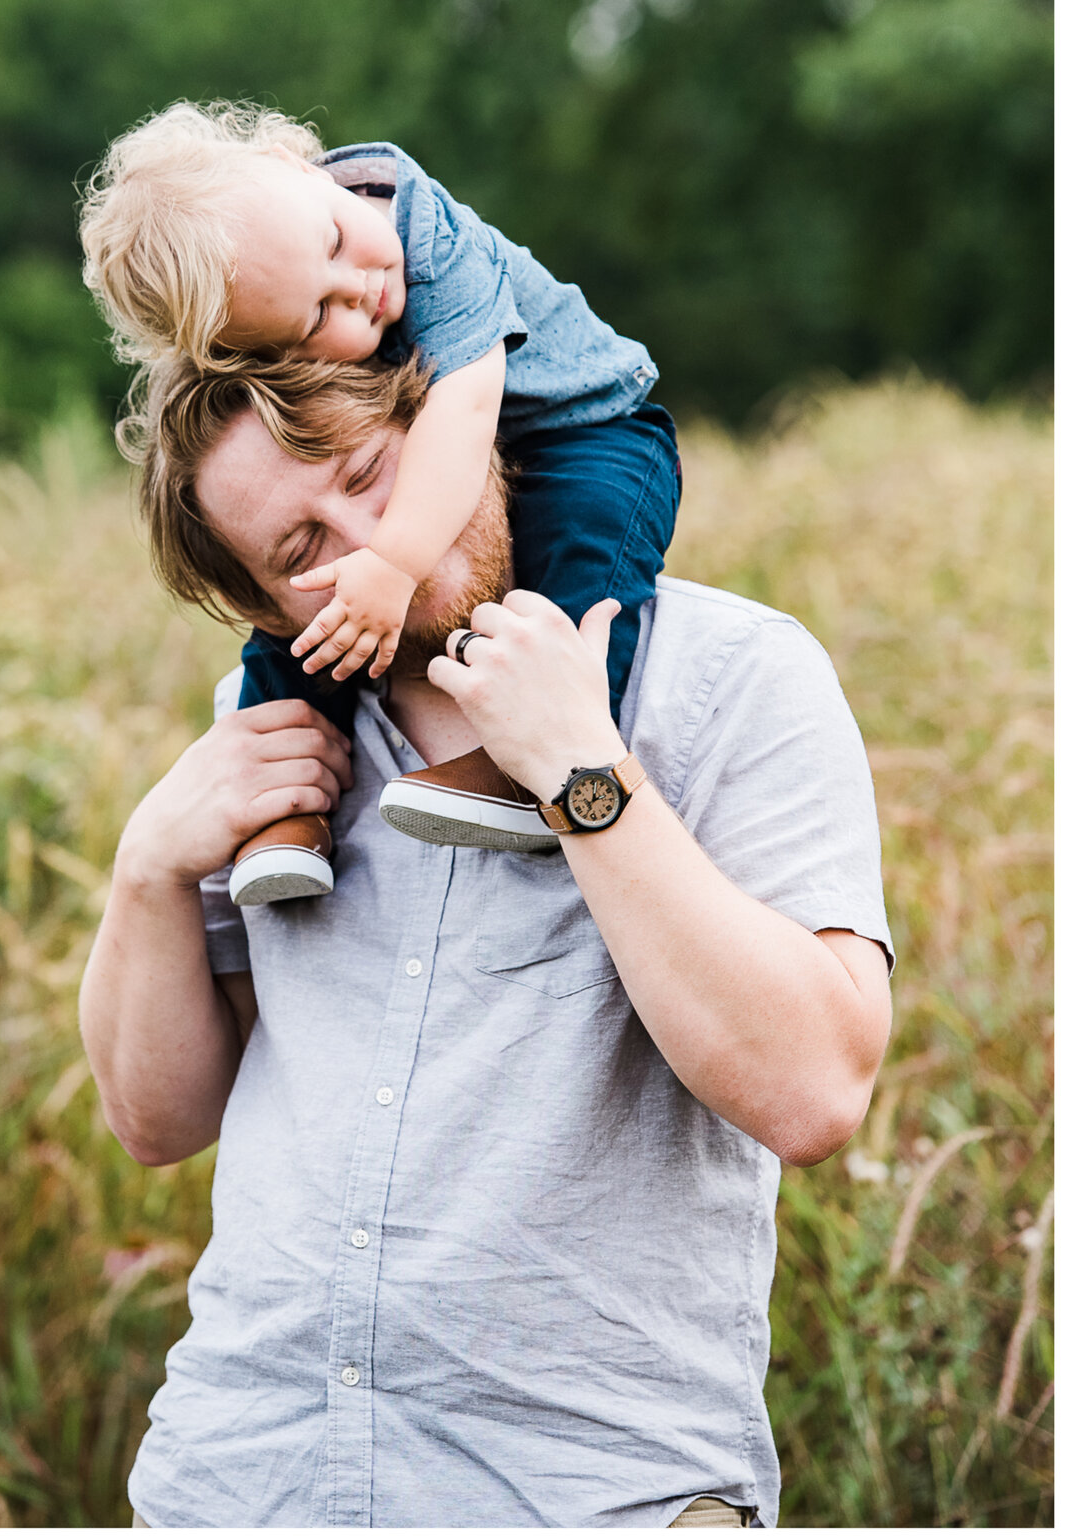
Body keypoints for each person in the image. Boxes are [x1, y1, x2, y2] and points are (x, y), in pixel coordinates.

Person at [80, 352, 893, 1529]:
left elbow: (816, 1087)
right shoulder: (269, 740)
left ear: (455, 422)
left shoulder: (731, 677)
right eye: (301, 553)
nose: (365, 546)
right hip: (241, 1480)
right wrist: (147, 865)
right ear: (263, 608)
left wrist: (578, 767)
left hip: (587, 1493)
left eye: (370, 473)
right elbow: (156, 1120)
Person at [79, 101, 675, 908]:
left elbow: (463, 415)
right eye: (318, 315)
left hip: (589, 425)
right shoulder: (281, 257)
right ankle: (279, 807)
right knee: (315, 616)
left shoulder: (425, 237)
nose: (360, 287)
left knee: (585, 560)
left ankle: (538, 755)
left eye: (333, 241)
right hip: (466, 427)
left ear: (300, 166)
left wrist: (394, 564)